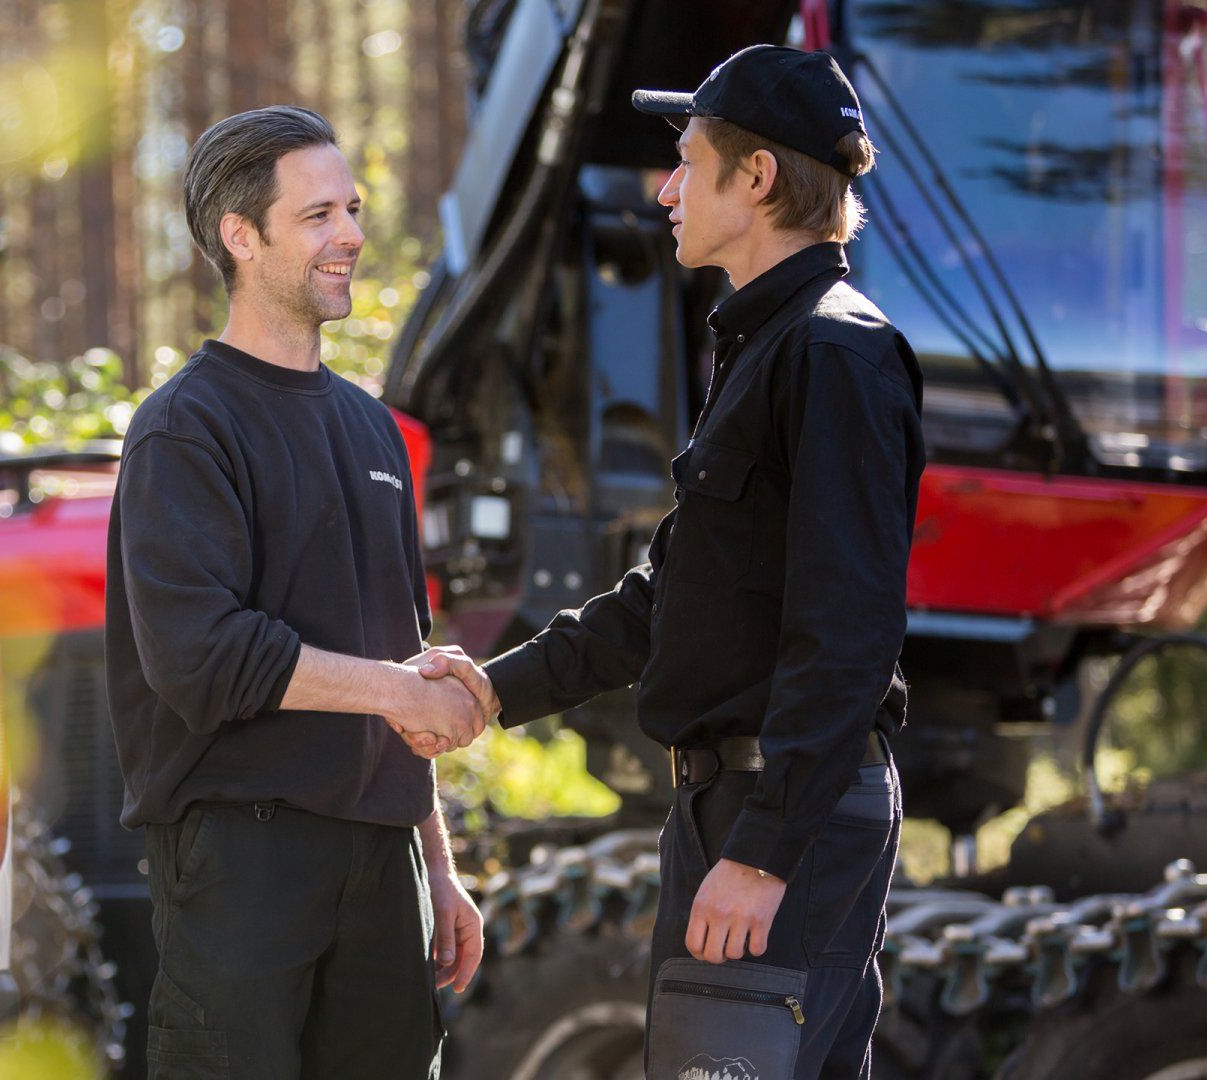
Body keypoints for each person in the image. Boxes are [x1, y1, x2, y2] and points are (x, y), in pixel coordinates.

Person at [421, 45, 923, 1077]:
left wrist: (763, 849)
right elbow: (671, 600)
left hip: (781, 815)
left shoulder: (835, 352)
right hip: (735, 807)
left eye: (689, 161)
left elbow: (849, 630)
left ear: (759, 178)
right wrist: (489, 692)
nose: (665, 188)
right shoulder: (766, 347)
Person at [104, 105, 486, 1079]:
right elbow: (204, 657)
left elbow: (403, 651)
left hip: (382, 858)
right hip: (241, 859)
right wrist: (399, 693)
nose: (352, 234)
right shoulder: (184, 430)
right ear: (242, 236)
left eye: (351, 208)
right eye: (319, 215)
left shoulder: (373, 433)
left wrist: (436, 865)